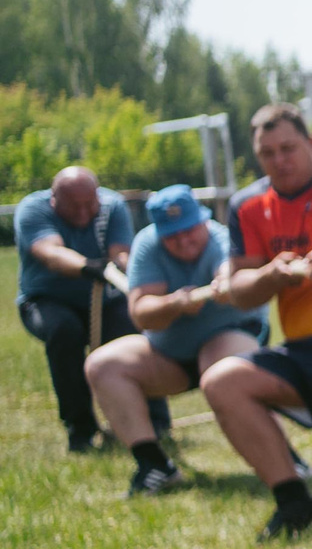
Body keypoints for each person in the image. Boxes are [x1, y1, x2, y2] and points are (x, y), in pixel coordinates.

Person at [203, 102, 312, 539]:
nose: (280, 160)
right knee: (222, 381)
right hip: (302, 351)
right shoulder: (247, 204)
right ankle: (295, 503)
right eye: (268, 153)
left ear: (311, 144)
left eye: (288, 148)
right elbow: (240, 292)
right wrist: (270, 275)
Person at [84, 185, 266, 495]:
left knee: (219, 366)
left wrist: (226, 281)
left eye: (189, 231)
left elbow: (230, 271)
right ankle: (154, 466)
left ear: (202, 221)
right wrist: (174, 304)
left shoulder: (222, 236)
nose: (183, 241)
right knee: (102, 365)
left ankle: (284, 462)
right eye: (172, 235)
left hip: (230, 342)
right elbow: (141, 312)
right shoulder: (146, 246)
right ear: (158, 232)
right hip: (169, 355)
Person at [15, 165, 143, 451]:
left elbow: (121, 251)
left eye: (90, 205)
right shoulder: (33, 210)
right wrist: (86, 267)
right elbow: (51, 252)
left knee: (130, 335)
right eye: (74, 207)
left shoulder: (113, 206)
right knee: (64, 332)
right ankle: (81, 430)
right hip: (46, 300)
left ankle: (152, 422)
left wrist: (124, 269)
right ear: (54, 200)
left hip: (106, 300)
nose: (84, 214)